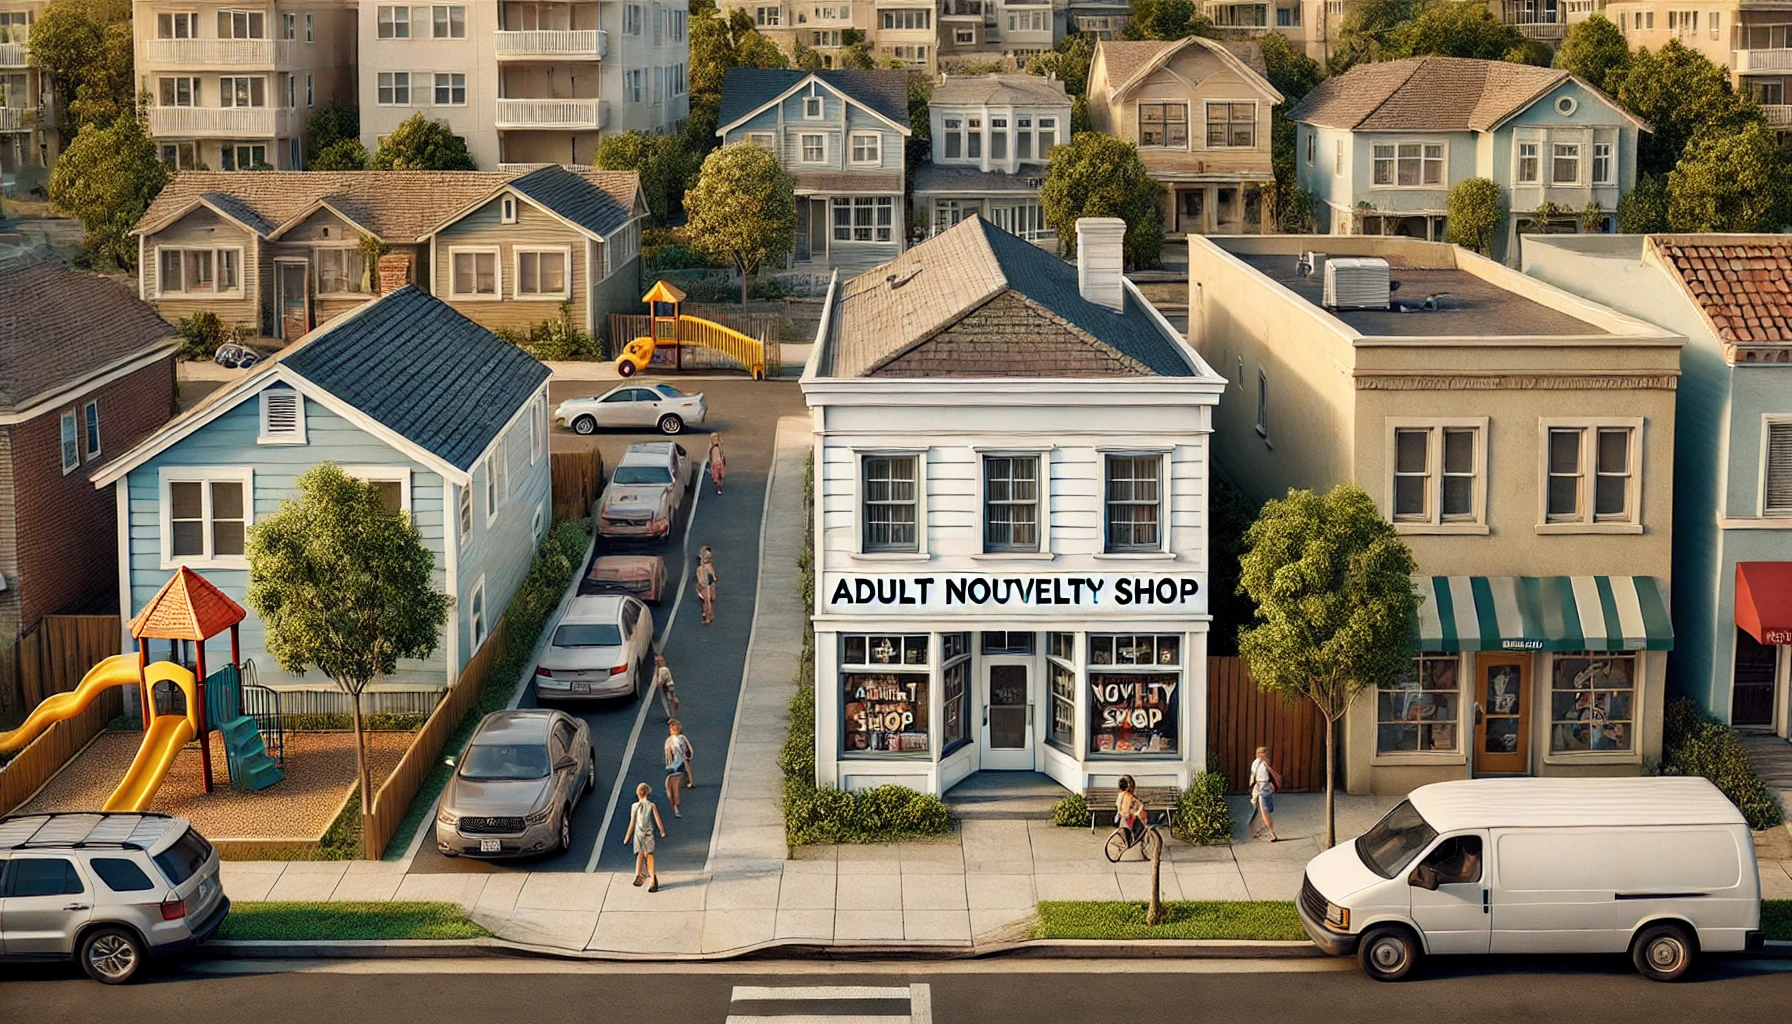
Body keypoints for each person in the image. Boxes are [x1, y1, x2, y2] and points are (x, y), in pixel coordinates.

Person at [622, 782, 667, 891]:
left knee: (640, 853)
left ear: (638, 794)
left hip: (638, 834)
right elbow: (657, 819)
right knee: (649, 855)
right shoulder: (651, 805)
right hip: (648, 833)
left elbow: (632, 822)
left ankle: (638, 874)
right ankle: (652, 879)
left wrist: (627, 837)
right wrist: (662, 831)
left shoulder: (634, 806)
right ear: (647, 793)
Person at [1248, 746, 1281, 842]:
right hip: (1264, 790)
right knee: (1265, 812)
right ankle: (1271, 833)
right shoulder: (1262, 764)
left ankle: (1255, 830)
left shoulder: (1256, 763)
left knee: (1260, 810)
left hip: (1261, 789)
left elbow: (1252, 777)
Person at [664, 719, 695, 816]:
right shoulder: (683, 738)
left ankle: (675, 807)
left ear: (671, 730)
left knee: (671, 785)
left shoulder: (669, 740)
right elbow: (690, 748)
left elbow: (667, 753)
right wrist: (690, 756)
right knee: (686, 770)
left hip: (674, 763)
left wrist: (668, 763)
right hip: (682, 759)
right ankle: (690, 782)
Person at [1114, 775, 1147, 846]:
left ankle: (1129, 841)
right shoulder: (1129, 796)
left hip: (1121, 820)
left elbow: (1120, 807)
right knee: (1140, 821)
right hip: (1128, 821)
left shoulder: (1121, 795)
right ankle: (1137, 838)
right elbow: (1139, 806)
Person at [695, 546, 718, 625]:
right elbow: (713, 577)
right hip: (707, 585)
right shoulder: (708, 566)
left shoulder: (701, 569)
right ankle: (708, 614)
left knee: (707, 601)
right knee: (706, 601)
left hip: (705, 586)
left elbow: (701, 580)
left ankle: (708, 616)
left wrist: (703, 585)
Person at [653, 654, 679, 721]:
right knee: (667, 701)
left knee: (668, 701)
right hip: (666, 687)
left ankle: (672, 716)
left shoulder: (663, 670)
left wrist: (660, 685)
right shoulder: (662, 669)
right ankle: (671, 716)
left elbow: (664, 679)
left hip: (667, 687)